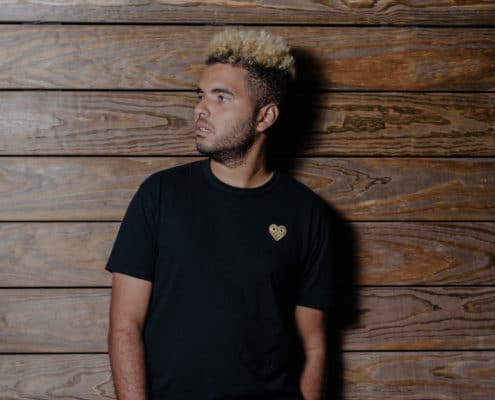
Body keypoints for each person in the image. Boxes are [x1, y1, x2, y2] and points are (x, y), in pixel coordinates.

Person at [106, 28, 335, 400]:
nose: (201, 108)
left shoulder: (306, 213)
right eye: (201, 95)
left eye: (222, 97)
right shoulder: (159, 195)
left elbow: (314, 346)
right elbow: (124, 327)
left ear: (265, 116)